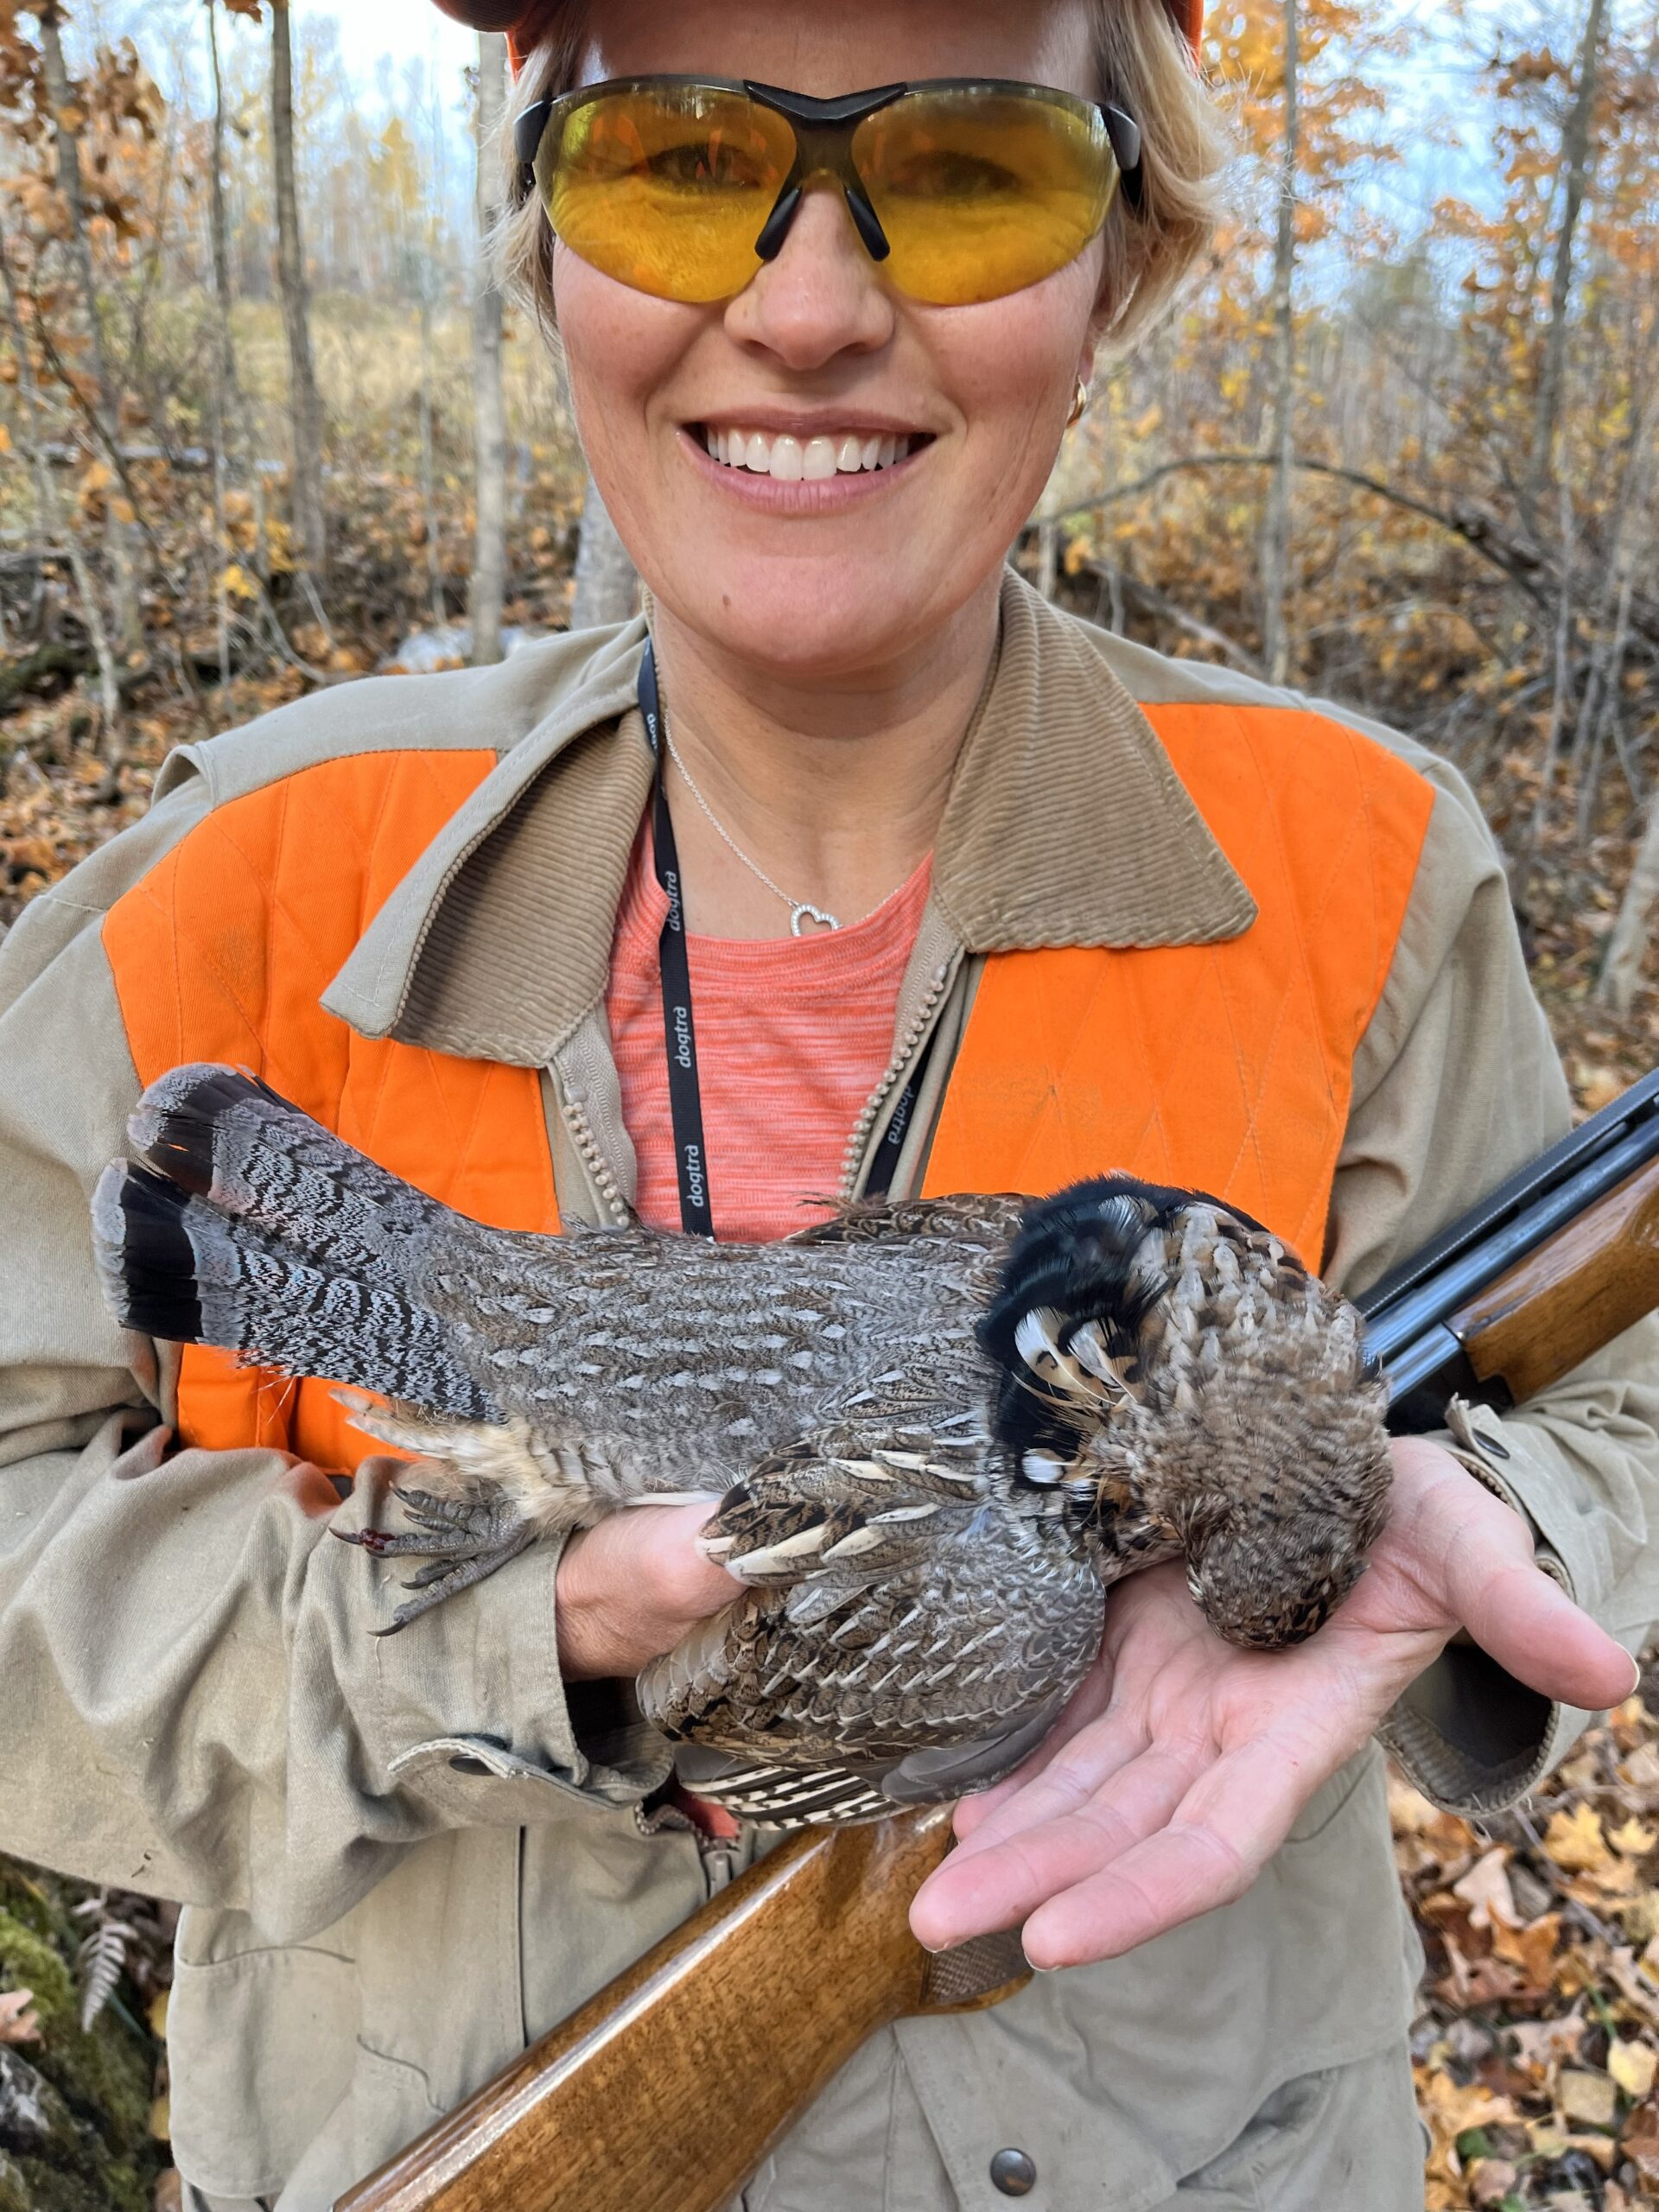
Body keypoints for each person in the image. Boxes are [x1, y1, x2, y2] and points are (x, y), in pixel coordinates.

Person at [0, 0, 1653, 2204]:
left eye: (972, 172)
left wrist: (1454, 1511)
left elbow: (1617, 1404)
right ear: (544, 238)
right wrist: (507, 1639)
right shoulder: (248, 879)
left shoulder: (1365, 869)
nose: (805, 308)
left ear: (1123, 256)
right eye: (675, 163)